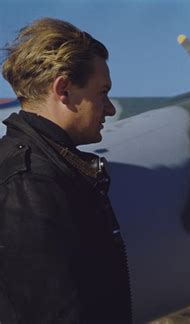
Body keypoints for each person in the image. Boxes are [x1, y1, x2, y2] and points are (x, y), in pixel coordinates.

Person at [0, 18, 132, 322]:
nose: (110, 108)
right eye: (102, 92)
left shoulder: (49, 168)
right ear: (64, 89)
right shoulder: (29, 182)